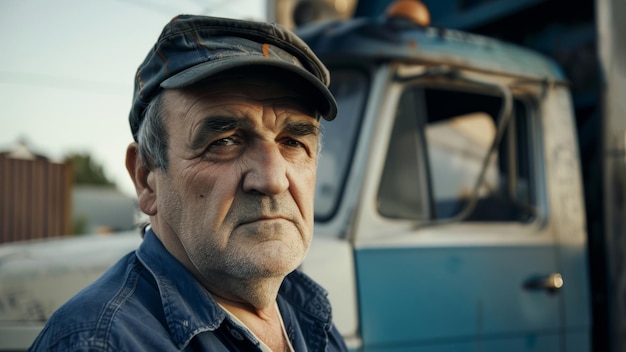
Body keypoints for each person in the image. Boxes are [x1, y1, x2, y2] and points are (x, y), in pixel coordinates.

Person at [30, 14, 347, 352]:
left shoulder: (306, 315)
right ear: (146, 179)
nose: (272, 179)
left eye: (293, 143)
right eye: (224, 141)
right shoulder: (99, 344)